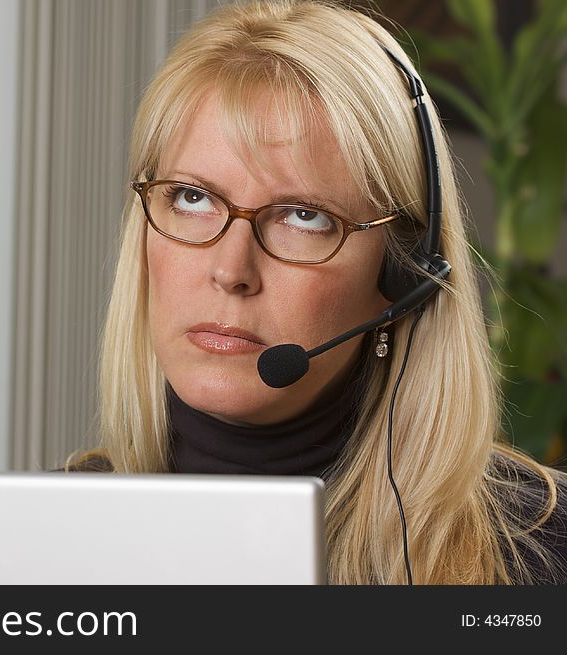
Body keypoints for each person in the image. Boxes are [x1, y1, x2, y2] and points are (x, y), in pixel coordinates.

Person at [64, 0, 567, 584]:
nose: (231, 270)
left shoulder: (542, 557)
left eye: (303, 216)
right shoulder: (31, 542)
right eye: (192, 197)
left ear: (403, 275)